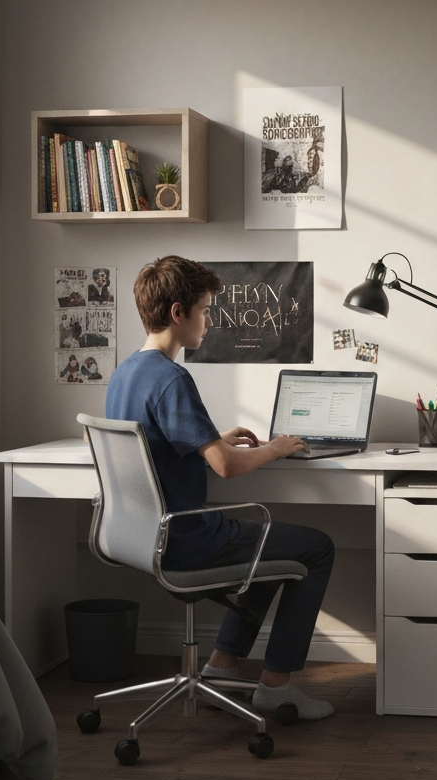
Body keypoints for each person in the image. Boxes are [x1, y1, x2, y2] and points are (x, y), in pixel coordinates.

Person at [105, 255, 336, 720]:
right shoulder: (172, 379)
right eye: (206, 310)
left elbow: (160, 444)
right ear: (177, 313)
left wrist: (210, 441)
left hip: (142, 536)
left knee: (271, 555)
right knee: (316, 549)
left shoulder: (127, 371)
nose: (210, 322)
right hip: (187, 540)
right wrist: (275, 447)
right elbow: (227, 469)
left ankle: (220, 664)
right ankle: (277, 686)